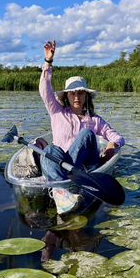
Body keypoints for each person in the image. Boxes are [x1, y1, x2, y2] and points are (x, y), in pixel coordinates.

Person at [39, 40, 125, 213]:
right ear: (67, 96)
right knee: (49, 150)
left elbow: (117, 137)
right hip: (62, 163)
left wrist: (112, 144)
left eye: (80, 93)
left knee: (86, 133)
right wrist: (48, 62)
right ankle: (62, 193)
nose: (76, 97)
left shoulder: (95, 121)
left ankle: (59, 186)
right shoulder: (57, 112)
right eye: (72, 93)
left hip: (85, 167)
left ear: (86, 96)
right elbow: (45, 89)